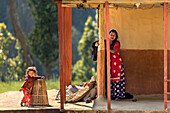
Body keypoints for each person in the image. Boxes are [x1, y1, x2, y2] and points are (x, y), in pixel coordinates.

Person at [95, 29, 125, 101]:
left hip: (117, 63)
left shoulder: (117, 43)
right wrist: (98, 44)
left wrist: (105, 48)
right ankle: (111, 95)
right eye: (111, 35)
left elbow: (114, 51)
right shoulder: (106, 42)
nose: (112, 36)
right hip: (110, 63)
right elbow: (97, 43)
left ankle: (117, 95)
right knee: (110, 79)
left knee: (117, 79)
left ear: (116, 36)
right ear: (108, 36)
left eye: (114, 35)